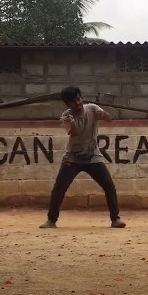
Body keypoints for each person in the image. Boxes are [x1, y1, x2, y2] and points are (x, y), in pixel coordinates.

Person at [40, 86, 126, 229]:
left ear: (82, 97)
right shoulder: (66, 116)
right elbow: (74, 133)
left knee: (109, 186)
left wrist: (104, 114)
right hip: (73, 158)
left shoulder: (92, 108)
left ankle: (115, 219)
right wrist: (72, 123)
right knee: (59, 188)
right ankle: (51, 220)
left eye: (79, 99)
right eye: (74, 101)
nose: (78, 103)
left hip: (93, 156)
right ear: (68, 104)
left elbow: (109, 119)